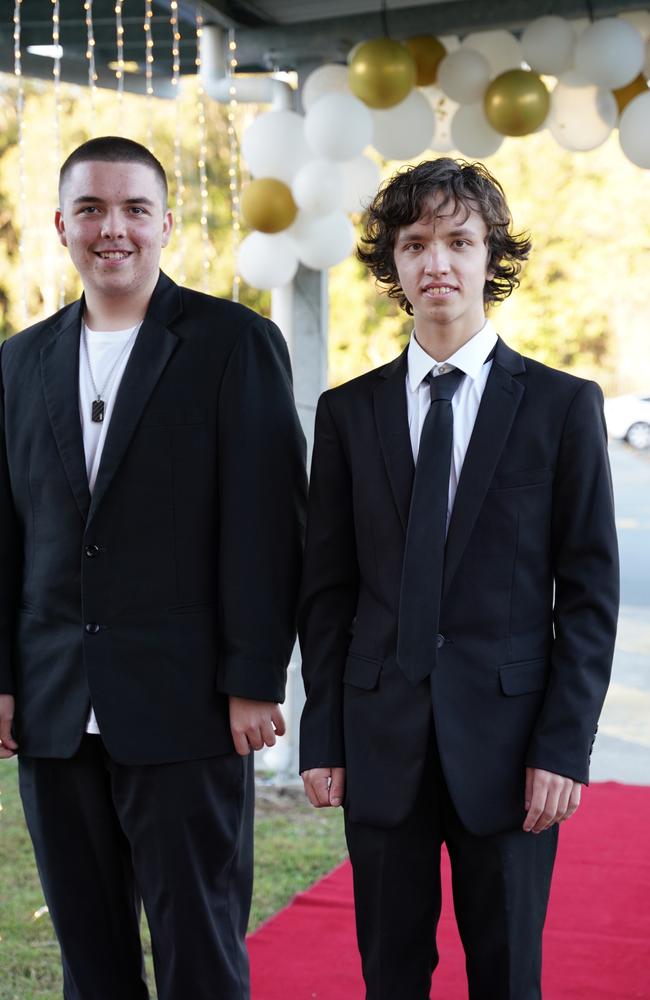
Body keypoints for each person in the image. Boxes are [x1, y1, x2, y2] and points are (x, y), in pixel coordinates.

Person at [299, 158, 619, 999]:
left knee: (509, 977)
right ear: (394, 266)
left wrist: (562, 747)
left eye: (459, 240)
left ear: (490, 258)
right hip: (379, 742)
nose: (437, 261)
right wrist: (322, 737)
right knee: (390, 975)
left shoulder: (562, 407)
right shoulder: (347, 412)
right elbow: (327, 592)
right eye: (415, 243)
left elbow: (588, 598)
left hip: (513, 753)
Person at [0, 136, 307, 1000]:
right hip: (57, 711)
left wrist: (255, 677)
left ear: (166, 223)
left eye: (134, 209)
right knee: (90, 962)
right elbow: (7, 537)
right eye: (92, 209)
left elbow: (268, 526)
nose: (114, 229)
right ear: (62, 224)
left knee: (199, 949)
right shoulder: (19, 364)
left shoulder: (233, 343)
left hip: (189, 705)